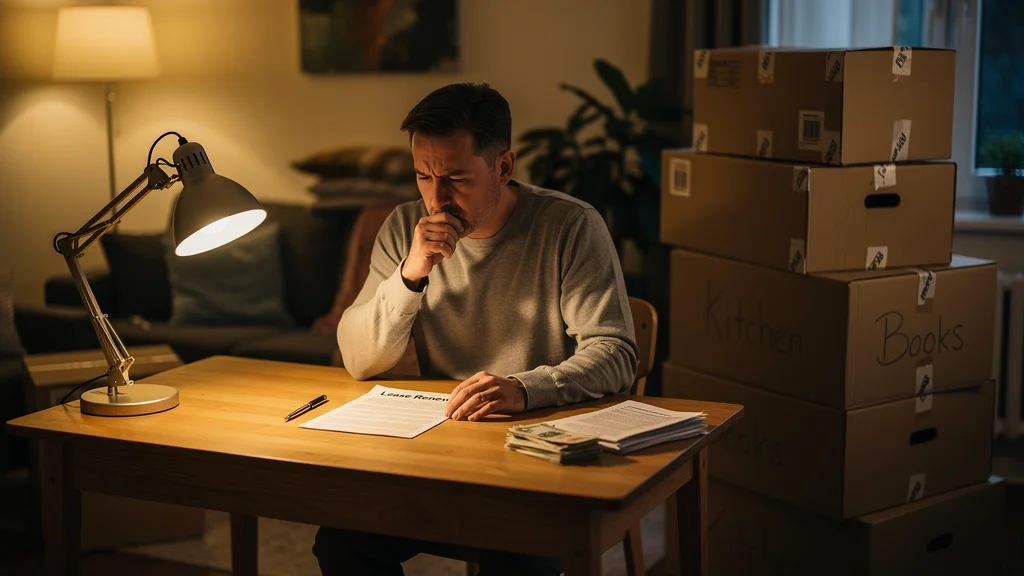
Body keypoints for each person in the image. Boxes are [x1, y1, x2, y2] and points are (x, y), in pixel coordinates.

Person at [313, 83, 638, 576]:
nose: (436, 198)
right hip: (443, 450)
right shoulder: (405, 228)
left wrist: (524, 388)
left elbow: (615, 351)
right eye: (423, 176)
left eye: (456, 178)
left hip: (537, 456)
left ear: (503, 167)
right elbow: (359, 360)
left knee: (518, 557)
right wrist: (409, 275)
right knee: (340, 542)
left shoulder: (569, 225)